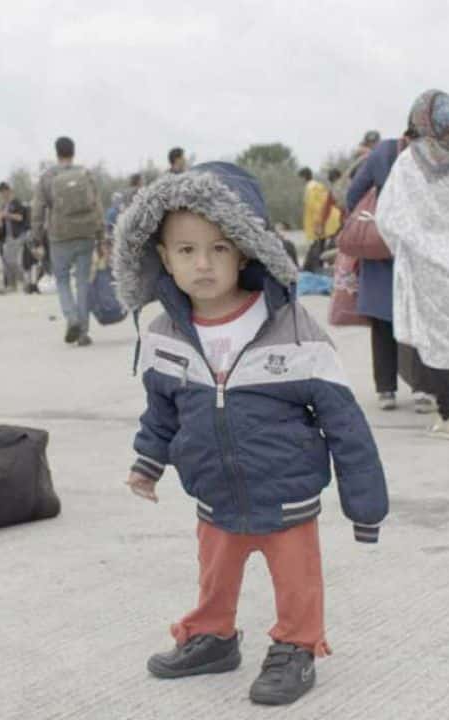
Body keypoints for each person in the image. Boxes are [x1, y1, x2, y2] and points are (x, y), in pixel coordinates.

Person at [113, 161, 388, 707]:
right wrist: (147, 463)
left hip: (286, 491)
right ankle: (213, 636)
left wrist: (365, 503)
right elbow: (161, 412)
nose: (204, 264)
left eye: (219, 248)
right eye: (186, 250)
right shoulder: (165, 336)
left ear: (244, 250)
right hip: (214, 491)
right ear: (162, 258)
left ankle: (297, 644)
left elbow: (344, 420)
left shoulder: (289, 326)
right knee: (214, 570)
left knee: (296, 578)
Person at [375, 89, 449, 440]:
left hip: (427, 265)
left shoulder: (408, 164)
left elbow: (388, 218)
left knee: (437, 343)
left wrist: (413, 246)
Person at [347, 126, 434, 413]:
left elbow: (354, 193)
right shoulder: (432, 154)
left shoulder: (383, 152)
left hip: (380, 246)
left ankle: (386, 390)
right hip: (415, 246)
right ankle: (423, 388)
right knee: (419, 317)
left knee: (383, 321)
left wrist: (369, 223)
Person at [31, 136, 106, 347]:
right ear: (73, 151)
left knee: (62, 280)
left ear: (56, 152)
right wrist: (101, 235)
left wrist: (37, 236)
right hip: (85, 234)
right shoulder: (85, 174)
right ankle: (83, 332)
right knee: (82, 282)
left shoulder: (48, 176)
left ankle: (71, 318)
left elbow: (37, 209)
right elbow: (97, 205)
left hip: (59, 236)